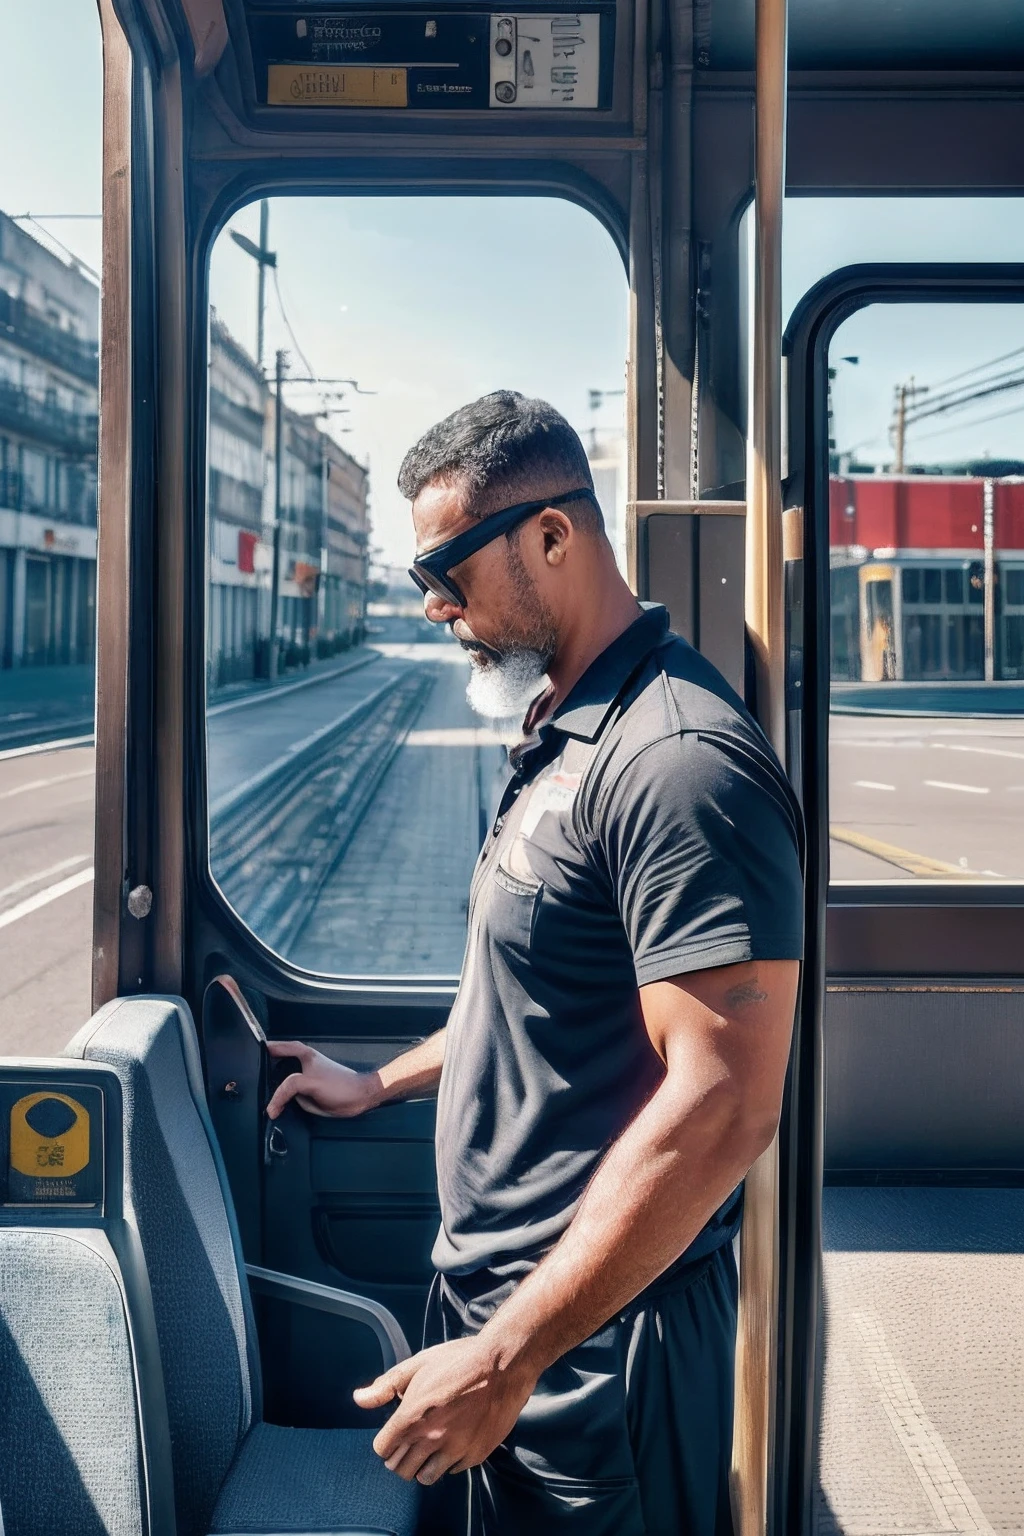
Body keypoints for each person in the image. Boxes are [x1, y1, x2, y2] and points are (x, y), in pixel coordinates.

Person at [266, 391, 804, 1535]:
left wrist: (508, 1359)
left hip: (595, 1351)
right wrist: (380, 1083)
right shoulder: (565, 729)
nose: (432, 603)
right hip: (517, 1319)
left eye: (449, 568)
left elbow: (723, 1104)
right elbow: (531, 996)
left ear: (553, 537)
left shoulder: (677, 765)